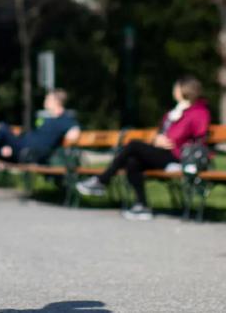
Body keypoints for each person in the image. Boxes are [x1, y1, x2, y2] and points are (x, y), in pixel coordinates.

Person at [75, 75, 210, 220]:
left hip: (178, 155)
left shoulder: (198, 112)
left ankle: (103, 179)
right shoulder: (174, 112)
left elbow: (200, 138)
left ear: (185, 90)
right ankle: (142, 205)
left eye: (176, 88)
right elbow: (161, 133)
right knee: (133, 160)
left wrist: (175, 142)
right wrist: (156, 138)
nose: (174, 91)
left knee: (134, 145)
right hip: (163, 152)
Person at [0, 89, 80, 200]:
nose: (46, 101)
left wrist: (72, 134)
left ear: (57, 102)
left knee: (3, 128)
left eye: (48, 99)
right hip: (23, 149)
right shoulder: (48, 119)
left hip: (32, 153)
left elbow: (75, 131)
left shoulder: (65, 119)